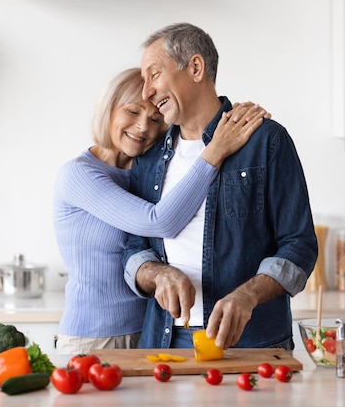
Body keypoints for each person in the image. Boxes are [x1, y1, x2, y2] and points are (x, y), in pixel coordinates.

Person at [122, 23, 318, 351]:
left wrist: (248, 295)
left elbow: (299, 246)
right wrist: (157, 274)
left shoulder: (266, 141)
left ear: (195, 68)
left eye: (154, 75)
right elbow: (133, 247)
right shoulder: (148, 157)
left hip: (252, 343)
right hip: (166, 343)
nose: (146, 93)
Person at [52, 67, 268, 354]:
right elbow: (159, 222)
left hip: (151, 333)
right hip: (94, 339)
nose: (143, 127)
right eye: (132, 111)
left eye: (155, 118)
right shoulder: (78, 175)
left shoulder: (148, 174)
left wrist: (234, 117)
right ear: (108, 109)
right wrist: (216, 150)